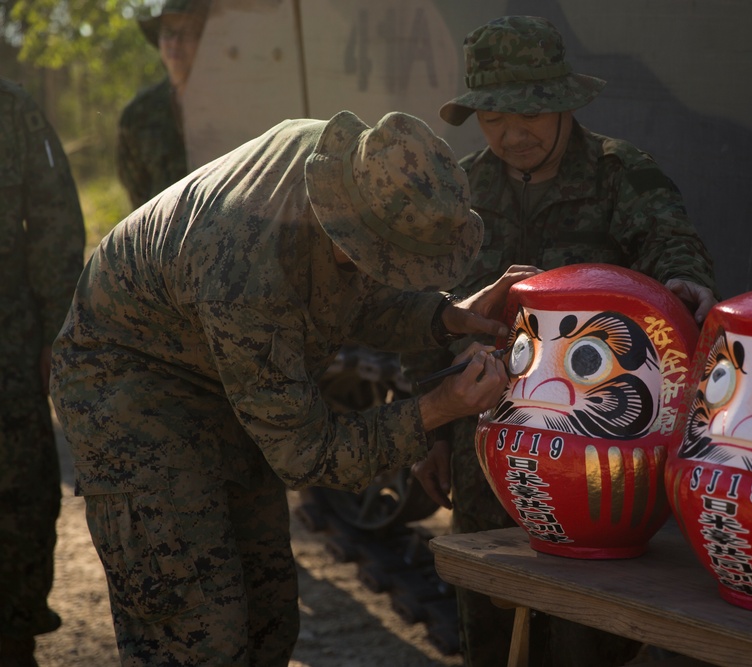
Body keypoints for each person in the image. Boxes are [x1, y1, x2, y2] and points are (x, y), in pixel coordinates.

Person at [49, 109, 538, 665]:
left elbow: (346, 294)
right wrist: (439, 409)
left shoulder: (349, 170)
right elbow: (308, 456)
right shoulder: (249, 274)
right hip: (127, 386)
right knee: (196, 632)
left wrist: (446, 316)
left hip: (220, 364)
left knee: (267, 614)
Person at [408, 16, 718, 667]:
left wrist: (686, 283)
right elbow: (429, 313)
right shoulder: (461, 189)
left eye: (529, 116)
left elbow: (674, 250)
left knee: (586, 630)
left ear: (564, 103)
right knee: (489, 619)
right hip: (484, 446)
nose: (512, 135)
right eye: (493, 118)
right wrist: (430, 433)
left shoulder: (620, 176)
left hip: (593, 453)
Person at [0, 78, 86, 667]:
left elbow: (54, 221)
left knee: (21, 490)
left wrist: (57, 327)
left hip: (9, 333)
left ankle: (13, 632)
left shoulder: (12, 111)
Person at [117, 0, 210, 209]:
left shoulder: (232, 105)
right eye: (168, 33)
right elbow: (137, 192)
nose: (175, 43)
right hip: (161, 236)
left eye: (186, 33)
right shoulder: (138, 115)